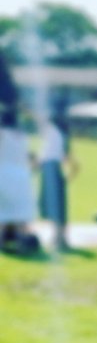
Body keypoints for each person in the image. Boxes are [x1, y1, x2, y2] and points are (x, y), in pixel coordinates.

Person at [36, 113, 78, 252]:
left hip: (51, 170)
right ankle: (60, 238)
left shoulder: (53, 132)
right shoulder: (61, 136)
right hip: (54, 170)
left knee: (54, 206)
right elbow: (73, 164)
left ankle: (59, 238)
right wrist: (67, 178)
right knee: (58, 207)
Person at [0, 105, 37, 253]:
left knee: (2, 214)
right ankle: (23, 245)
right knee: (21, 216)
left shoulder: (2, 134)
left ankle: (2, 244)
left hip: (4, 174)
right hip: (22, 176)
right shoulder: (22, 136)